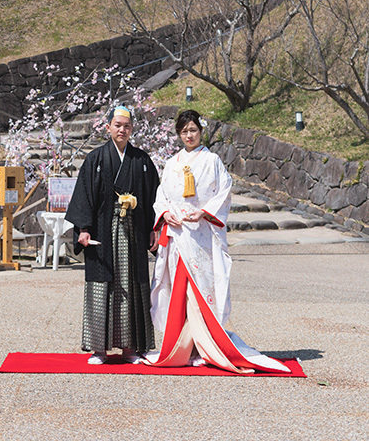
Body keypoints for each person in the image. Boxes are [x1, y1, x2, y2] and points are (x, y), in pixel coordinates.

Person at [145, 108, 291, 374]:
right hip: (178, 234)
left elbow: (224, 192)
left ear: (201, 131)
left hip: (201, 234)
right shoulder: (171, 162)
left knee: (201, 290)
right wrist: (165, 213)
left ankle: (205, 345)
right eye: (184, 131)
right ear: (178, 134)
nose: (189, 135)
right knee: (178, 289)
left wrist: (204, 212)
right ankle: (182, 347)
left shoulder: (212, 160)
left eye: (193, 130)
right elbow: (161, 195)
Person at [65, 105, 160, 364]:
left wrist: (154, 229)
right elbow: (84, 196)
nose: (122, 130)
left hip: (133, 232)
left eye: (127, 126)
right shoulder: (95, 159)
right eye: (117, 125)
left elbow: (154, 197)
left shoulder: (141, 161)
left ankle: (130, 348)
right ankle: (99, 349)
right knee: (101, 286)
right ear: (108, 127)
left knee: (132, 286)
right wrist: (83, 229)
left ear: (132, 129)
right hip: (102, 231)